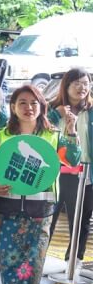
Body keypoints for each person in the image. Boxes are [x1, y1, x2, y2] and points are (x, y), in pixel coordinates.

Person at [0, 85, 80, 284]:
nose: (28, 108)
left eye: (34, 103)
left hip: (40, 208)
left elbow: (73, 158)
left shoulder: (52, 136)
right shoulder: (2, 135)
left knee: (33, 261)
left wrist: (71, 131)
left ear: (42, 107)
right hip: (6, 207)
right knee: (8, 260)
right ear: (12, 107)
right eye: (22, 102)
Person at [48, 68, 93, 263]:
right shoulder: (53, 109)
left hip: (86, 175)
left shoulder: (90, 111)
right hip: (55, 173)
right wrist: (56, 116)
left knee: (81, 221)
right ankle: (38, 262)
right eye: (77, 83)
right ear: (66, 86)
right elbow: (42, 132)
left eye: (85, 83)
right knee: (48, 219)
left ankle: (74, 263)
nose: (82, 88)